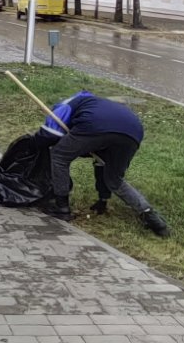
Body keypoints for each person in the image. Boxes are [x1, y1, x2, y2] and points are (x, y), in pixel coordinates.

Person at [36, 91, 170, 237]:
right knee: (113, 177)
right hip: (133, 131)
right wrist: (103, 198)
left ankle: (61, 208)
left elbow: (49, 132)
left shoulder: (64, 105)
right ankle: (152, 218)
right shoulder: (97, 103)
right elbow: (98, 158)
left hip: (95, 125)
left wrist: (32, 144)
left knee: (59, 155)